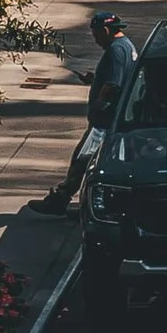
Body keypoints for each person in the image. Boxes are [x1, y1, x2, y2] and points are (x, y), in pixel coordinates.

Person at [59, 11, 136, 207]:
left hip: (104, 119)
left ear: (105, 30)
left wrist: (97, 106)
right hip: (111, 116)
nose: (95, 40)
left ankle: (60, 198)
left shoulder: (116, 50)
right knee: (88, 158)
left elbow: (113, 84)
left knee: (83, 157)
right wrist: (95, 80)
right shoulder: (126, 46)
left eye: (96, 35)